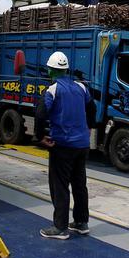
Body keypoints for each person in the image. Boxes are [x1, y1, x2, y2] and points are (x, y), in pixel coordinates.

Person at [34, 51, 96, 240]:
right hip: (81, 145)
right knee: (79, 184)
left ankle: (60, 227)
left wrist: (40, 136)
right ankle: (81, 222)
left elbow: (40, 114)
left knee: (60, 185)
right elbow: (92, 108)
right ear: (66, 69)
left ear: (50, 70)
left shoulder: (52, 90)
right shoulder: (81, 87)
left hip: (61, 145)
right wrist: (89, 129)